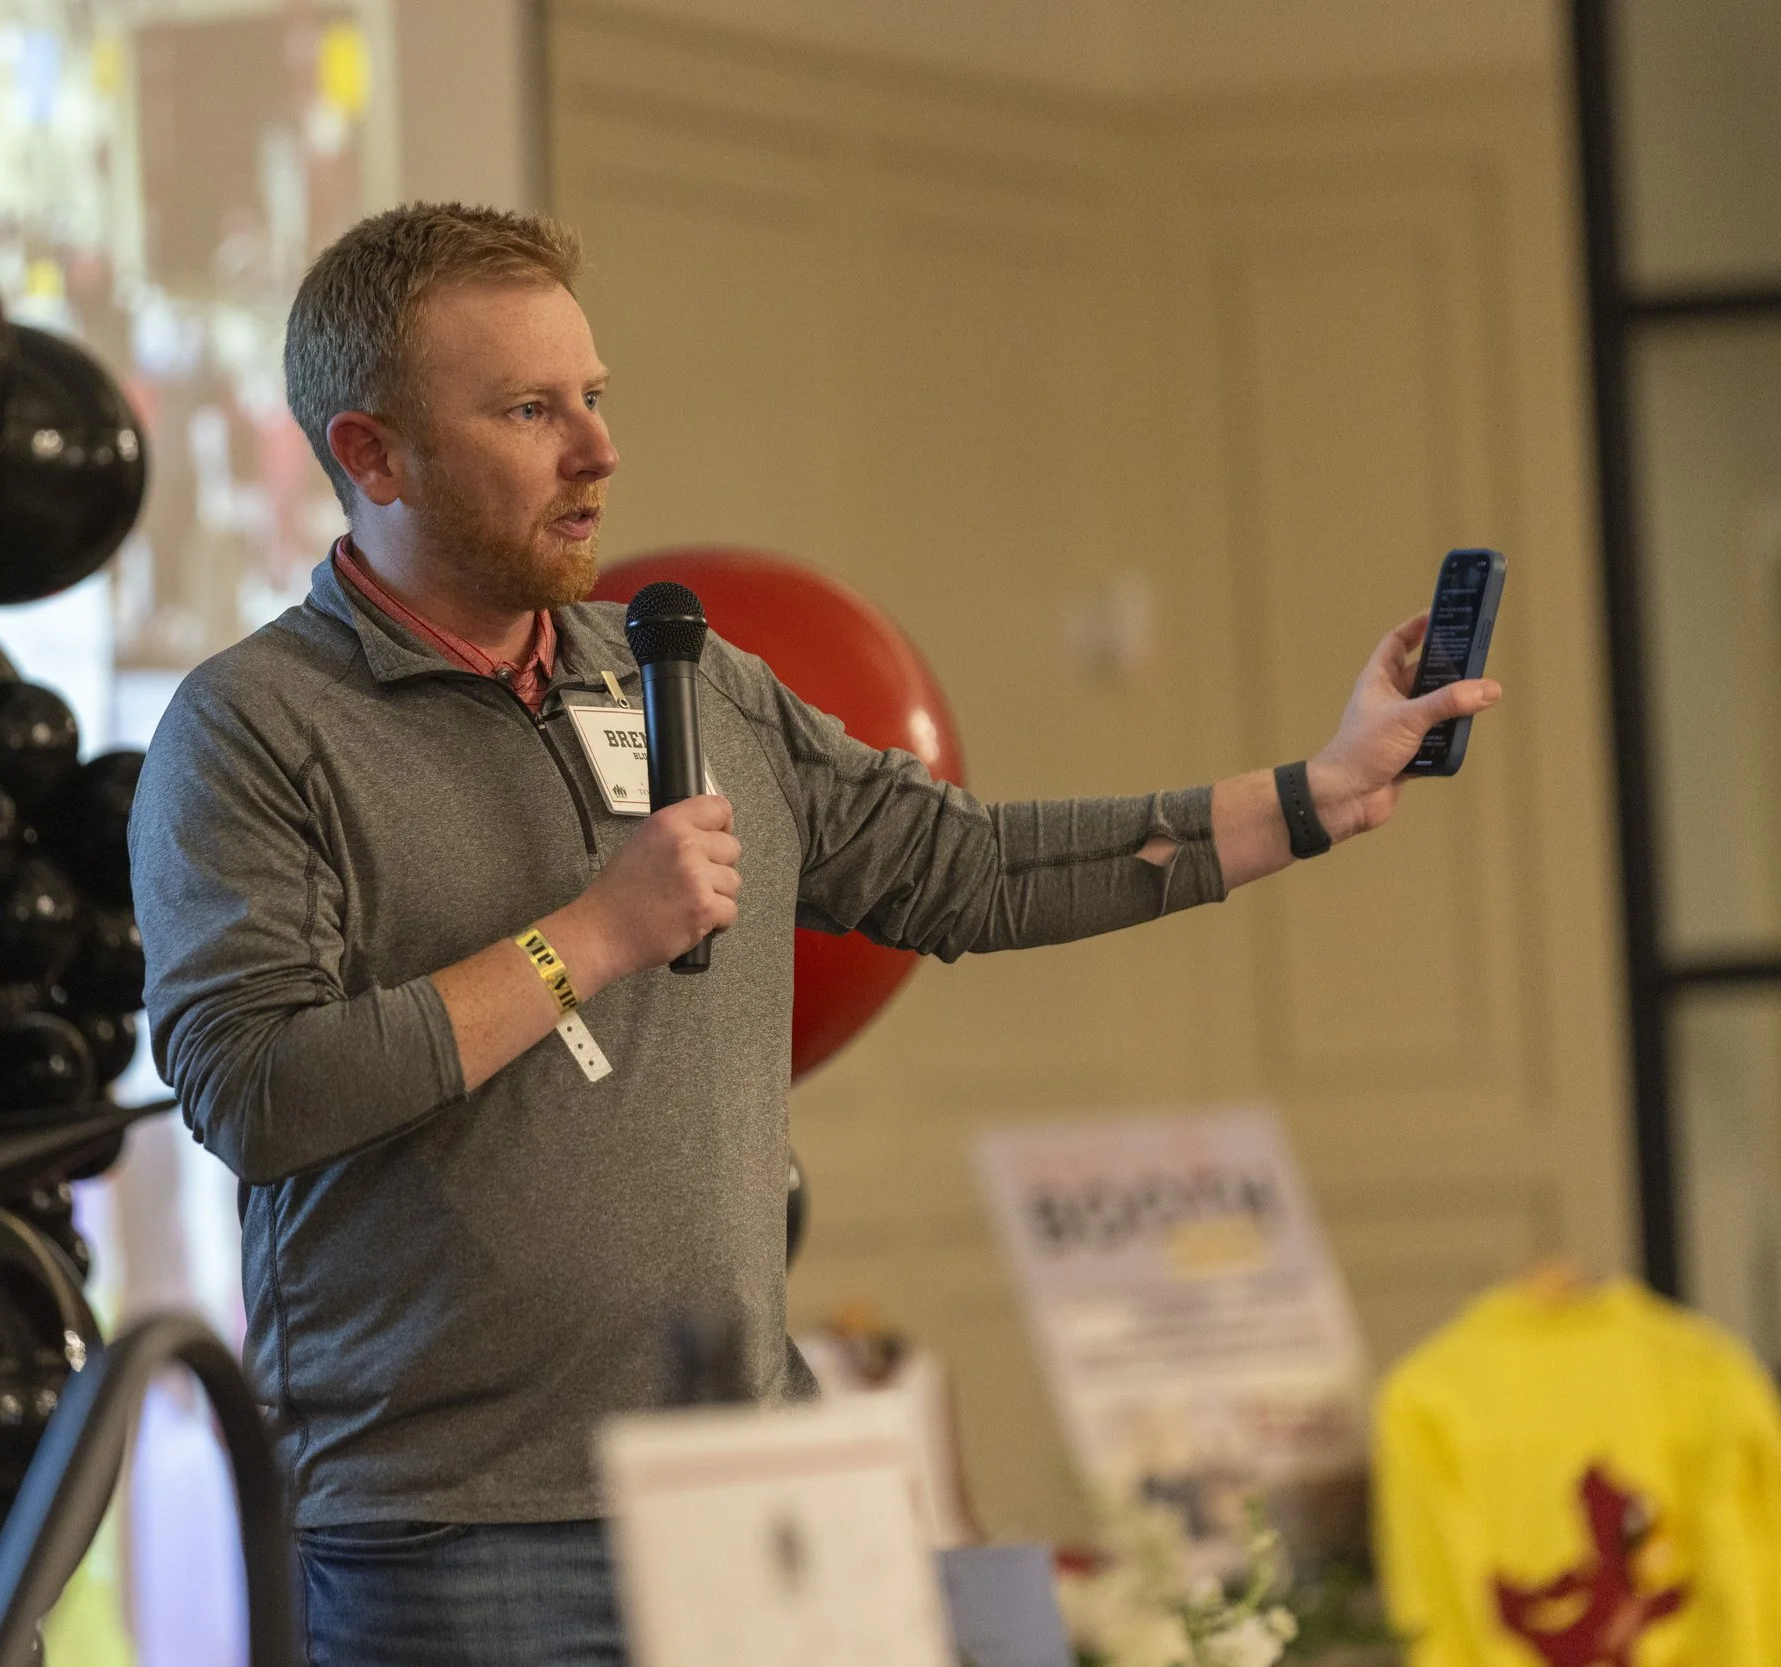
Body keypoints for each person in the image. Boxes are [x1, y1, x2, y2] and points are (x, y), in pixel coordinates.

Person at [127, 202, 1501, 1667]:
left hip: (742, 1499)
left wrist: (1319, 793)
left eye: (596, 399)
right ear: (371, 454)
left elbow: (967, 869)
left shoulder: (689, 673)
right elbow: (258, 1088)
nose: (597, 450)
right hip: (462, 1535)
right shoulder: (253, 729)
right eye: (531, 410)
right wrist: (590, 935)